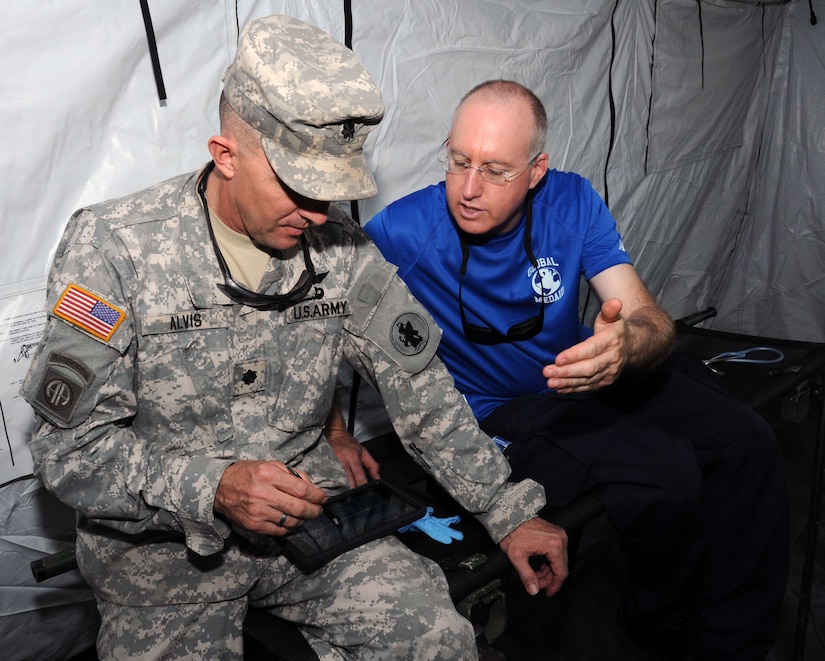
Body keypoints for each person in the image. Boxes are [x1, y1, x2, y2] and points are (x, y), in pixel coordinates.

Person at [20, 22, 568, 661]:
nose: (317, 213)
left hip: (309, 531)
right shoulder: (116, 250)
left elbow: (422, 389)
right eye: (298, 187)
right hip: (162, 564)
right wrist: (215, 487)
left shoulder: (341, 253)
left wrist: (507, 509)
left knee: (437, 640)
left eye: (331, 191)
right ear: (226, 154)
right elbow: (69, 451)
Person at [364, 79, 790, 661]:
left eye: (495, 170)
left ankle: (732, 644)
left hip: (582, 380)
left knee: (747, 441)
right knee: (662, 473)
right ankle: (655, 631)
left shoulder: (572, 201)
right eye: (459, 161)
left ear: (536, 170)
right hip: (499, 411)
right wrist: (337, 429)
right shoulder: (402, 230)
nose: (467, 188)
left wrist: (625, 346)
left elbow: (648, 318)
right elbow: (326, 317)